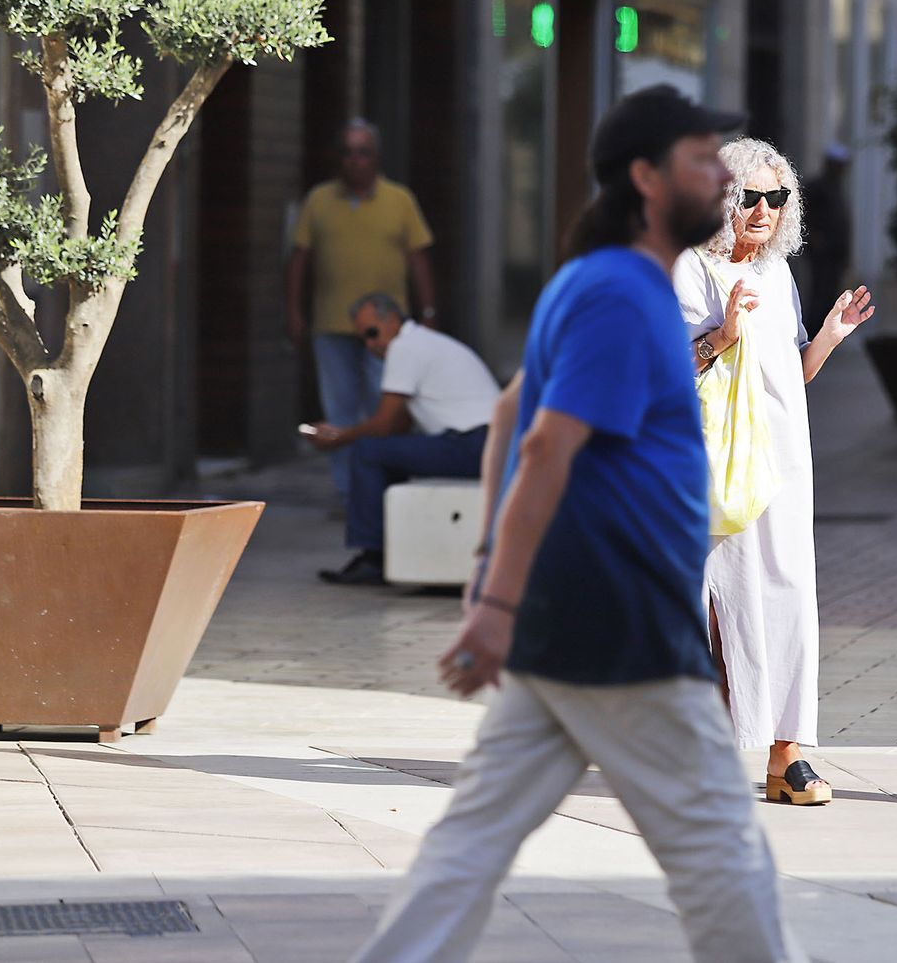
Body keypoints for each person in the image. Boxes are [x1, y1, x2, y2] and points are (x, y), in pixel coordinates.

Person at [349, 85, 803, 963]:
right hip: (623, 623)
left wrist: (493, 577)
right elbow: (546, 444)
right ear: (645, 175)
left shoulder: (588, 281)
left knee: (465, 852)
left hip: (568, 629)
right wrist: (492, 602)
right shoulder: (625, 291)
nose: (723, 174)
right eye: (702, 159)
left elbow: (512, 419)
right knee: (726, 861)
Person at [673, 138, 874, 807]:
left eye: (775, 198)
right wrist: (720, 336)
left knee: (789, 597)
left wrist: (830, 336)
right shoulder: (692, 268)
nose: (762, 210)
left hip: (784, 461)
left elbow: (793, 374)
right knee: (721, 602)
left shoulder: (777, 274)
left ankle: (787, 756)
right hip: (715, 459)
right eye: (748, 197)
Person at [286, 119, 439, 505]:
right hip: (332, 323)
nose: (355, 160)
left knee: (382, 404)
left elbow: (419, 258)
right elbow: (299, 259)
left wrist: (429, 310)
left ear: (377, 157)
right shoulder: (319, 200)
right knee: (339, 408)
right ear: (339, 159)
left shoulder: (399, 200)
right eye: (348, 152)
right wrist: (294, 311)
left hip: (387, 332)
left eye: (363, 152)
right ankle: (349, 491)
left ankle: (383, 488)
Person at [308, 292, 501, 586]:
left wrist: (339, 436)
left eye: (373, 334)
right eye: (363, 339)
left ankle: (373, 556)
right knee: (381, 454)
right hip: (487, 444)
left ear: (392, 319)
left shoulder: (404, 348)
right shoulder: (424, 342)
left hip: (473, 443)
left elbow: (384, 425)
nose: (370, 345)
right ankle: (392, 549)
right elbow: (398, 424)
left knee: (367, 451)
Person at [799, 143, 853, 332]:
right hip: (822, 255)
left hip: (835, 254)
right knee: (819, 295)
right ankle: (813, 334)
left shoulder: (836, 188)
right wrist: (816, 239)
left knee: (830, 296)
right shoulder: (817, 187)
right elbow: (805, 215)